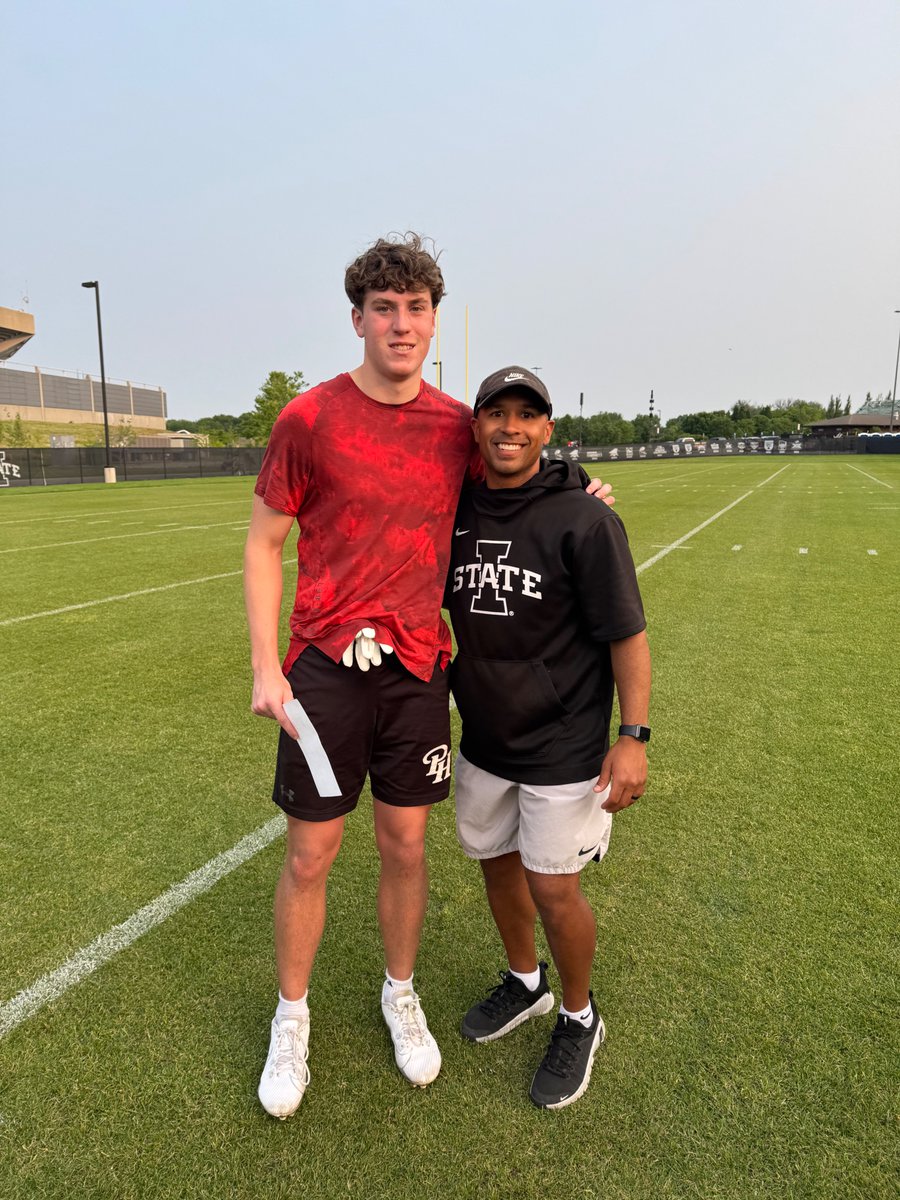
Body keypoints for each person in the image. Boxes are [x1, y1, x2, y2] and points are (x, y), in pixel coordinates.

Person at [244, 235, 612, 1119]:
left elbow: (515, 466)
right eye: (384, 309)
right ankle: (290, 1018)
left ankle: (397, 992)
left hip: (417, 670)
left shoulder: (455, 423)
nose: (400, 325)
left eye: (415, 309)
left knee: (406, 846)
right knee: (311, 852)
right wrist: (267, 667)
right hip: (327, 670)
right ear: (358, 320)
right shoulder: (310, 419)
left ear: (434, 320)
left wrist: (582, 485)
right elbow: (264, 541)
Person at [446, 366, 651, 1110]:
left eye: (526, 416)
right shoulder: (456, 505)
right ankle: (525, 980)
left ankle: (577, 1015)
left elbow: (627, 633)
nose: (510, 427)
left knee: (554, 887)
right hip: (485, 733)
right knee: (497, 867)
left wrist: (632, 735)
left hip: (563, 741)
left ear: (548, 430)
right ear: (476, 428)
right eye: (495, 414)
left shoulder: (584, 517)